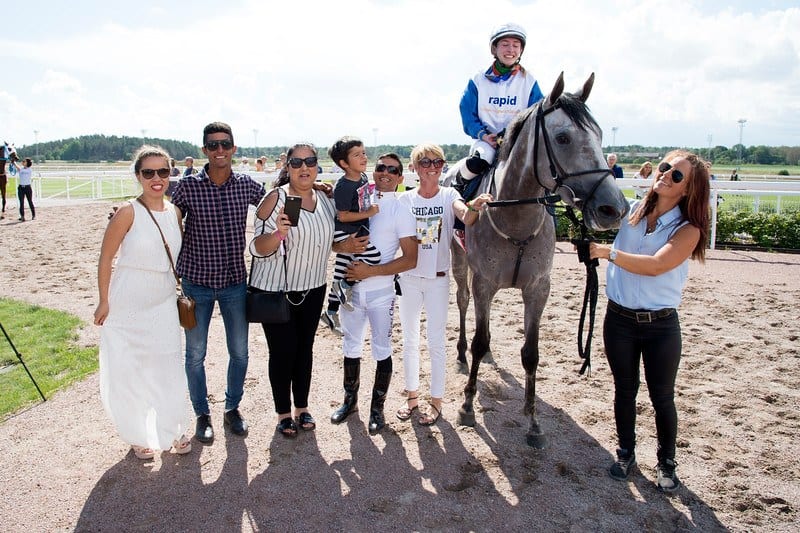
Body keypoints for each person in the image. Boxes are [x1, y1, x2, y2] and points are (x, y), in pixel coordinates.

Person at [588, 149, 710, 493]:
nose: (666, 175)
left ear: (687, 190)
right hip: (619, 320)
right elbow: (597, 212)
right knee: (624, 391)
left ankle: (666, 462)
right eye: (665, 167)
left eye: (676, 175)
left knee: (662, 396)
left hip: (661, 327)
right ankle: (626, 453)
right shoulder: (633, 212)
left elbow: (657, 264)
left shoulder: (689, 230)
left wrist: (606, 252)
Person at [248, 142, 364, 438]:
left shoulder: (325, 199)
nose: (304, 168)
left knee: (304, 351)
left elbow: (322, 243)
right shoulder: (275, 198)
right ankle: (283, 413)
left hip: (313, 288)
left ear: (317, 165)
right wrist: (279, 234)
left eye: (310, 161)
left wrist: (343, 246)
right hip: (277, 290)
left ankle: (302, 407)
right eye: (296, 162)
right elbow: (257, 248)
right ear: (287, 167)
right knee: (283, 352)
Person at [93, 145, 192, 460]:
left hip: (162, 298)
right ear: (138, 176)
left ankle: (173, 427)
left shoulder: (175, 212)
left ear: (170, 173)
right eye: (148, 172)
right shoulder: (127, 212)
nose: (156, 178)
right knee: (130, 369)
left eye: (163, 171)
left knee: (167, 365)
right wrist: (103, 301)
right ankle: (137, 433)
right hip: (128, 299)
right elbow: (106, 258)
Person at [170, 122, 266, 444]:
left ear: (234, 148)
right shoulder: (188, 187)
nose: (220, 150)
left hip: (234, 284)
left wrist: (317, 189)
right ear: (204, 150)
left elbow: (276, 202)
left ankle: (231, 408)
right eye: (213, 145)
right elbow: (162, 215)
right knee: (195, 355)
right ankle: (202, 414)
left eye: (225, 144)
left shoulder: (247, 186)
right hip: (196, 284)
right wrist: (127, 211)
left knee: (239, 353)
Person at [396, 143, 493, 425]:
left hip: (438, 280)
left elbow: (465, 215)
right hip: (410, 280)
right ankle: (412, 397)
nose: (432, 167)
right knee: (410, 341)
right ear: (414, 168)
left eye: (437, 162)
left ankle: (436, 400)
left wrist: (474, 207)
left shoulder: (450, 194)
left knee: (436, 342)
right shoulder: (406, 201)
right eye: (425, 162)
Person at [330, 152, 418, 434]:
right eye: (381, 167)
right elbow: (333, 244)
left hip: (381, 293)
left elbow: (411, 259)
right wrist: (343, 249)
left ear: (400, 178)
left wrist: (371, 272)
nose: (386, 172)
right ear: (374, 170)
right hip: (351, 291)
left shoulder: (401, 210)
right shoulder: (357, 198)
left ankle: (377, 409)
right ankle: (349, 401)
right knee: (351, 346)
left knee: (381, 349)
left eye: (393, 170)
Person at [454, 23, 544, 183]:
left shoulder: (530, 81)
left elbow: (537, 116)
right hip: (486, 141)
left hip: (517, 143)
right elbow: (467, 113)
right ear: (494, 49)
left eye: (516, 45)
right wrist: (483, 135)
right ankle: (460, 188)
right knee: (481, 159)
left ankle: (550, 207)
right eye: (505, 45)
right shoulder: (478, 79)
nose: (511, 50)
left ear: (521, 50)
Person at [323, 136, 381, 325]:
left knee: (341, 268)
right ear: (344, 163)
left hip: (357, 228)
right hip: (346, 231)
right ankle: (345, 285)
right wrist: (369, 211)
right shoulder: (344, 186)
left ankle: (330, 312)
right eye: (357, 155)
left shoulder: (362, 177)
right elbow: (343, 216)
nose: (364, 157)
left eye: (363, 153)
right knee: (374, 257)